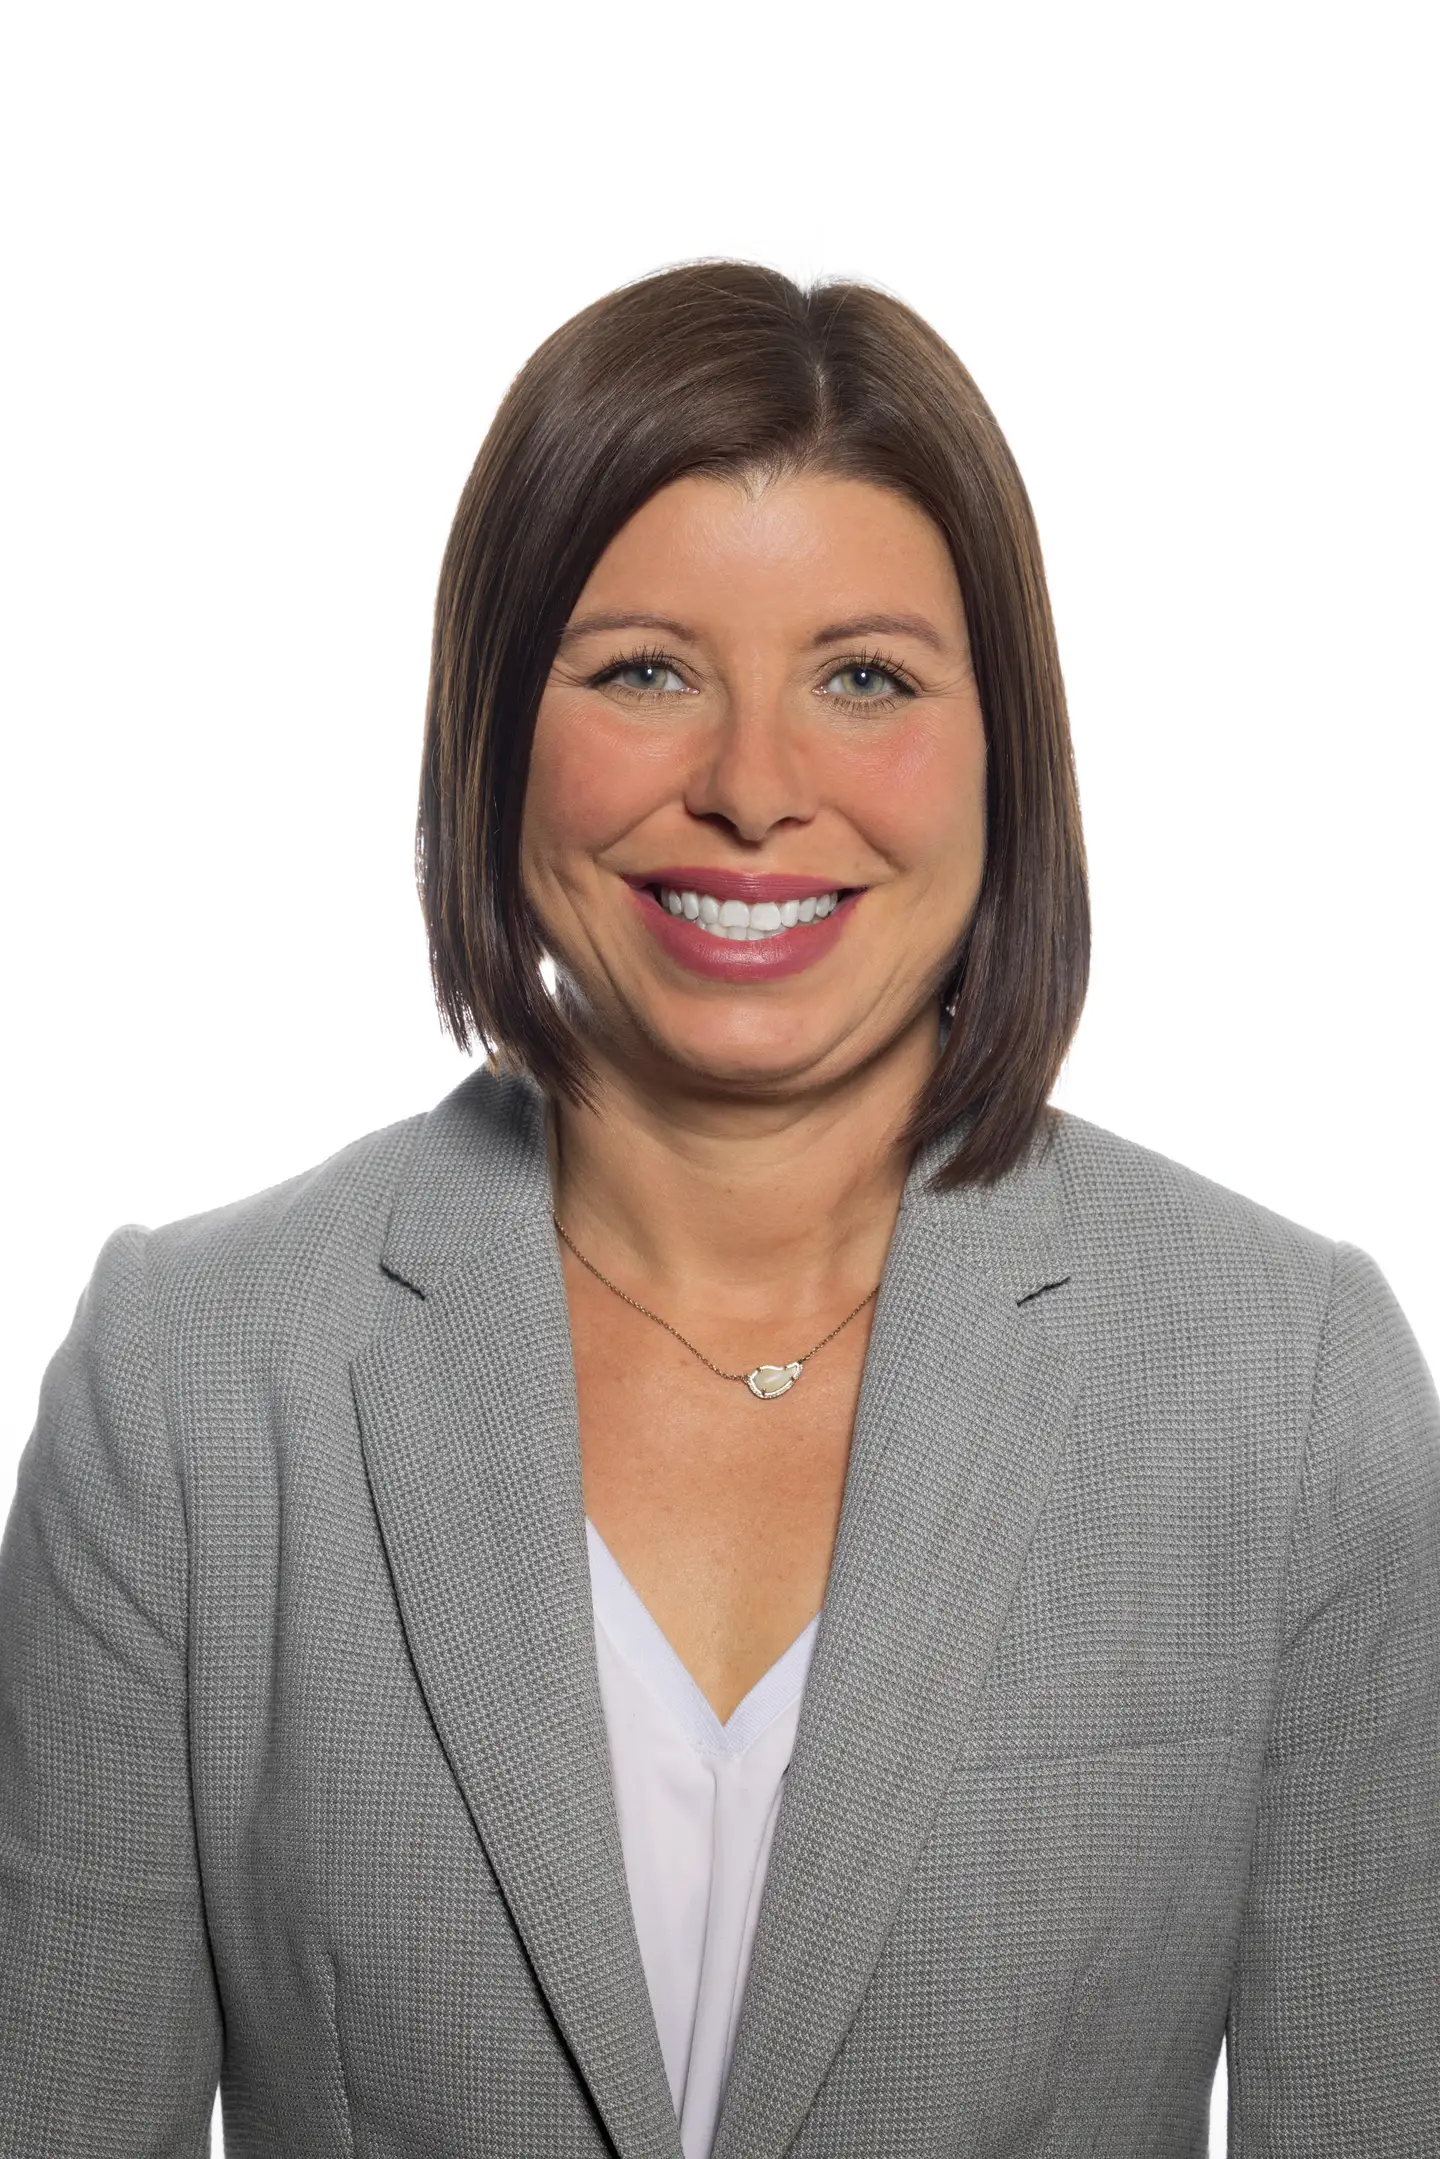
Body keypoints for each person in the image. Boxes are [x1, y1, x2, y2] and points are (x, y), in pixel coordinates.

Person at [2, 259, 1436, 2159]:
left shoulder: (1294, 1384)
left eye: (865, 680)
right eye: (646, 671)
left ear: (1008, 746)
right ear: (499, 727)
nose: (755, 789)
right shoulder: (192, 1383)